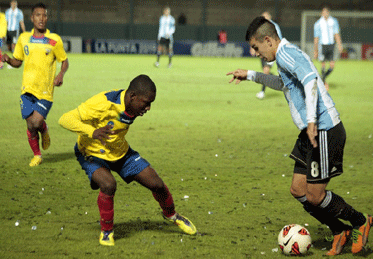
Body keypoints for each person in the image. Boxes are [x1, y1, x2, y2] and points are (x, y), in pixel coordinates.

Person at [227, 16, 371, 256]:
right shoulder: (282, 57)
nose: (255, 53)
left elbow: (310, 81)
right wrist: (251, 75)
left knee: (315, 195)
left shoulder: (285, 53)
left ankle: (360, 222)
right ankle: (339, 230)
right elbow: (285, 84)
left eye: (255, 47)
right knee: (298, 189)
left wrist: (313, 121)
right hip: (310, 131)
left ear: (268, 40)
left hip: (324, 129)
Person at [58, 74, 197, 246]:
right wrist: (92, 131)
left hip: (120, 152)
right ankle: (107, 231)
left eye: (151, 103)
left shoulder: (132, 104)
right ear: (132, 97)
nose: (148, 108)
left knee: (157, 184)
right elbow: (64, 119)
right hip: (92, 153)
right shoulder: (102, 103)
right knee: (108, 185)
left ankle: (171, 215)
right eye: (146, 102)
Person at [1, 2, 69, 167]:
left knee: (37, 122)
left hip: (45, 91)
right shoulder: (24, 39)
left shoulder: (54, 40)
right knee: (30, 126)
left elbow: (64, 61)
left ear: (47, 18)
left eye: (44, 15)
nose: (41, 18)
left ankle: (44, 129)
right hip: (27, 89)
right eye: (38, 15)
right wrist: (8, 59)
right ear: (32, 18)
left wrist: (61, 74)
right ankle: (37, 155)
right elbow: (18, 61)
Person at [251, 11, 282, 100]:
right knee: (266, 72)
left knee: (266, 70)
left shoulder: (274, 26)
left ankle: (262, 92)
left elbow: (278, 38)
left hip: (270, 52)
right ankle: (279, 79)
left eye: (266, 17)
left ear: (269, 17)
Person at [314, 6, 343, 90]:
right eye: (323, 12)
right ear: (321, 13)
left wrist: (339, 44)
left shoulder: (333, 21)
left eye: (326, 12)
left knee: (332, 66)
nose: (325, 14)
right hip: (322, 45)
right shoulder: (318, 23)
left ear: (328, 13)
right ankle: (323, 82)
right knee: (323, 64)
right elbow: (316, 38)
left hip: (331, 45)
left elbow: (336, 34)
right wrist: (315, 50)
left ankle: (321, 78)